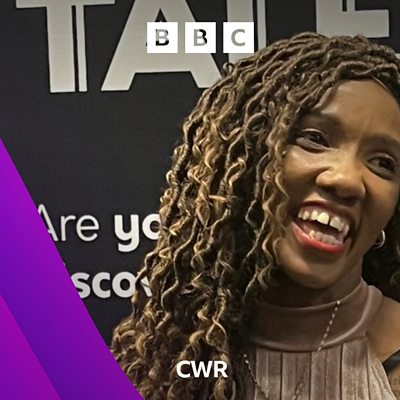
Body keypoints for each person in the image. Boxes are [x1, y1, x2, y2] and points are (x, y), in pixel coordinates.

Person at [111, 32, 400, 399]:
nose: (347, 179)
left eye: (383, 163)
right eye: (315, 138)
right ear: (245, 161)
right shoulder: (172, 357)